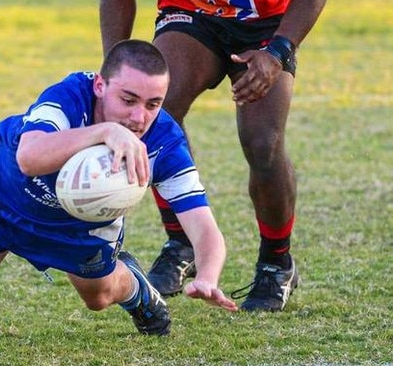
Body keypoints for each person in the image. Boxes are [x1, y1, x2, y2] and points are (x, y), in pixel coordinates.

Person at [0, 39, 238, 336]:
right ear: (100, 85)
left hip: (79, 228)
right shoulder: (71, 94)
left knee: (98, 298)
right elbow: (30, 157)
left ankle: (137, 291)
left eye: (153, 104)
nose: (140, 117)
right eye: (128, 100)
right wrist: (105, 132)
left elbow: (204, 228)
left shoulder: (164, 144)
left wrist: (207, 278)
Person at [99, 0, 326, 311]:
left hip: (267, 23)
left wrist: (279, 50)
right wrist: (116, 65)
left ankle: (276, 261)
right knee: (155, 115)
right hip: (190, 13)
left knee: (263, 143)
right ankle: (181, 243)